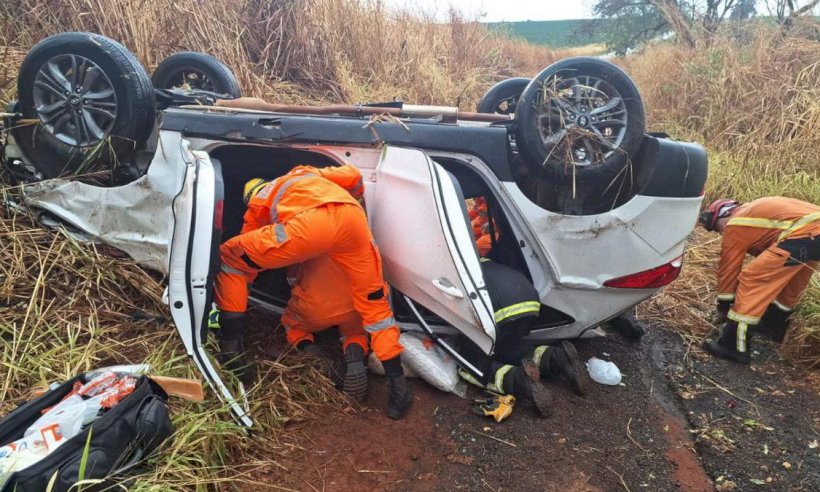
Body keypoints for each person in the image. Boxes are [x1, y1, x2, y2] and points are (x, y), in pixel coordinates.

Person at [214, 166, 413, 419]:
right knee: (375, 308)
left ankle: (231, 349)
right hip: (353, 220)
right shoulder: (302, 173)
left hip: (310, 227)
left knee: (230, 258)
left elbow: (248, 257)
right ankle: (399, 387)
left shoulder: (257, 205)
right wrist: (355, 196)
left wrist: (244, 286)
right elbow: (354, 176)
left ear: (249, 197)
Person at [459, 259, 591, 417]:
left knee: (469, 363)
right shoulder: (485, 260)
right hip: (530, 303)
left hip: (500, 311)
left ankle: (518, 380)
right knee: (507, 348)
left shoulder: (453, 267)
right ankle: (558, 357)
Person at [699, 196, 819, 363]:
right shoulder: (754, 213)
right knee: (794, 280)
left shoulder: (735, 222)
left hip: (806, 233)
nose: (721, 233)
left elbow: (728, 268)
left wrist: (724, 304)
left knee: (752, 279)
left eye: (717, 227)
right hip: (811, 233)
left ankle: (732, 346)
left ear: (723, 213)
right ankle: (773, 326)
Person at [281, 256, 368, 401]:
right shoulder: (364, 241)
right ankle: (355, 356)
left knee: (292, 326)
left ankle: (313, 353)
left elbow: (292, 272)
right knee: (356, 333)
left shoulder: (307, 241)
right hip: (354, 304)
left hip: (315, 308)